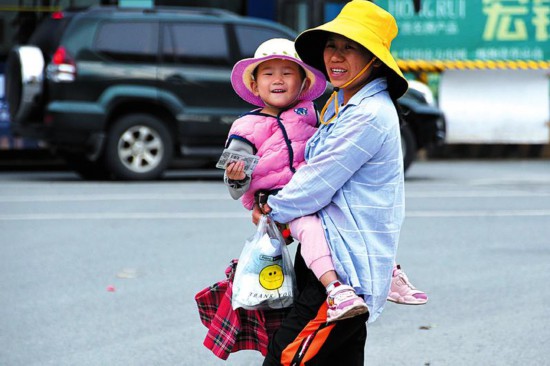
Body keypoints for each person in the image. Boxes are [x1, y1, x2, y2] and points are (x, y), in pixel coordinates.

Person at [252, 1, 425, 364]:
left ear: (374, 59)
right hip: (328, 255)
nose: (337, 56)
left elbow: (315, 182)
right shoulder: (341, 102)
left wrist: (271, 209)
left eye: (351, 48)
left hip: (342, 269)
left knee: (285, 356)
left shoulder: (368, 115)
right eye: (333, 45)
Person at [223, 38, 369, 323]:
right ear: (254, 85)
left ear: (303, 84)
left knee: (353, 215)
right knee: (312, 229)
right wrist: (235, 177)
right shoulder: (245, 128)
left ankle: (388, 271)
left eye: (287, 73)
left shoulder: (310, 112)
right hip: (280, 206)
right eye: (268, 74)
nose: (278, 80)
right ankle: (335, 289)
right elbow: (234, 186)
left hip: (314, 192)